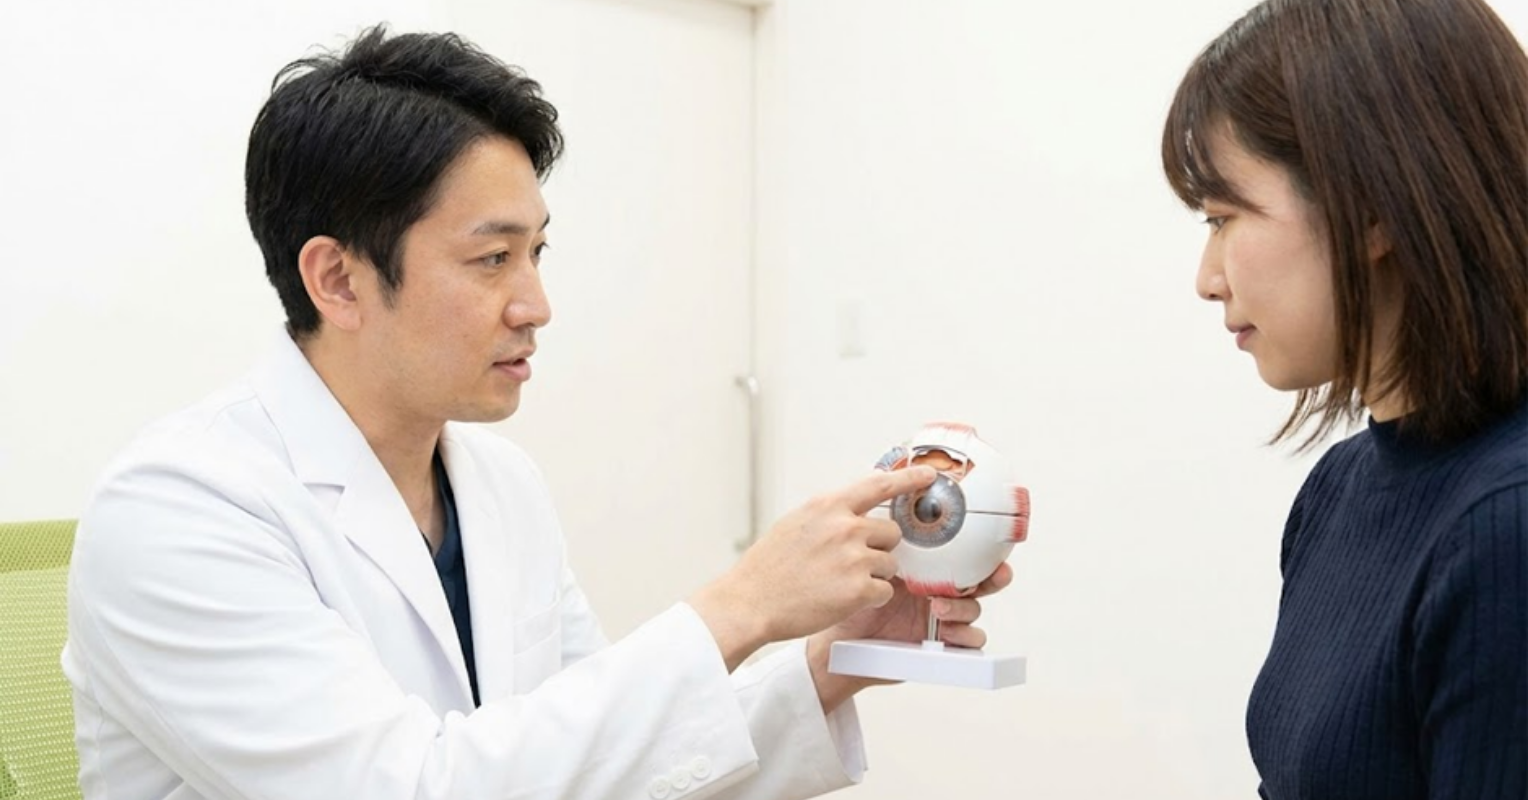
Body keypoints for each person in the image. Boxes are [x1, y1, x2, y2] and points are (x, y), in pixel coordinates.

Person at [62, 25, 1011, 800]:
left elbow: (604, 767)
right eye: (491, 260)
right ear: (338, 280)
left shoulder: (497, 484)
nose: (535, 305)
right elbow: (408, 788)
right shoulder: (180, 510)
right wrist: (743, 604)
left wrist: (832, 662)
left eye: (537, 254)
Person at [1161, 0, 1527, 797]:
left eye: (1223, 218)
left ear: (1372, 211)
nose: (1207, 279)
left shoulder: (1508, 528)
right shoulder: (1340, 488)